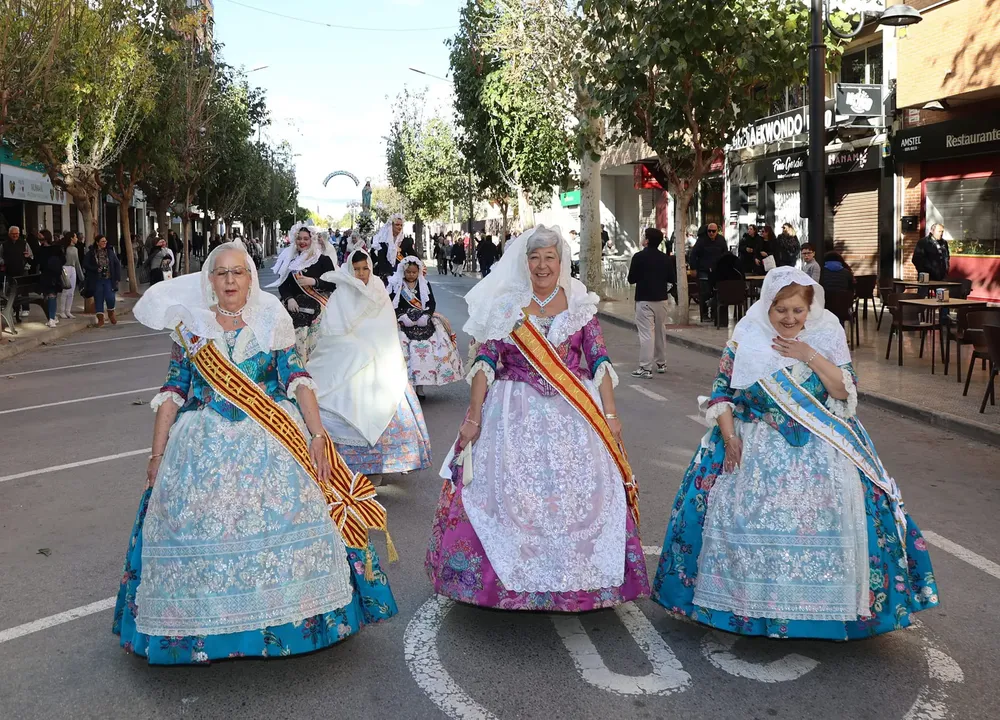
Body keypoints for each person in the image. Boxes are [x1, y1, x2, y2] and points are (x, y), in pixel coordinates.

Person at [114, 240, 397, 665]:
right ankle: (201, 626)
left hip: (270, 438)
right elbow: (174, 391)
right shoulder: (190, 328)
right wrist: (156, 456)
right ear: (210, 281)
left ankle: (290, 618)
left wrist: (318, 436)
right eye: (221, 272)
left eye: (238, 272)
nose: (230, 280)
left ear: (250, 278)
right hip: (202, 444)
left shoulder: (272, 322)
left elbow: (297, 377)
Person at [652, 266, 939, 639]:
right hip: (754, 441)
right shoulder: (747, 336)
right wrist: (730, 438)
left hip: (823, 442)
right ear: (767, 307)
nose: (789, 318)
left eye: (797, 311)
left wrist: (808, 355)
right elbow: (722, 391)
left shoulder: (828, 334)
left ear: (810, 308)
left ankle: (828, 610)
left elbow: (844, 391)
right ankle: (747, 606)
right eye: (780, 310)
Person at [426, 225, 650, 612]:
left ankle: (582, 582)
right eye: (535, 257)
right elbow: (485, 362)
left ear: (560, 262)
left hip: (575, 414)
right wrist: (474, 418)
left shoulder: (579, 305)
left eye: (550, 257)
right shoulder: (507, 307)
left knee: (589, 494)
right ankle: (506, 583)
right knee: (504, 494)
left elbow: (599, 361)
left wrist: (610, 414)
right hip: (512, 412)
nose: (542, 265)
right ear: (524, 262)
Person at [308, 250, 432, 482]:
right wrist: (356, 347)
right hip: (344, 358)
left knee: (384, 399)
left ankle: (377, 466)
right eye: (357, 269)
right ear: (349, 270)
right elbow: (331, 330)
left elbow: (385, 326)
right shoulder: (340, 294)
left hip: (378, 356)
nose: (362, 274)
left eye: (365, 268)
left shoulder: (378, 288)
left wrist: (374, 349)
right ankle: (344, 469)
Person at [387, 256, 465, 398]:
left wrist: (426, 316)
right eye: (408, 272)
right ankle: (406, 386)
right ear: (403, 272)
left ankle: (420, 387)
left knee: (425, 352)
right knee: (406, 354)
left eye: (414, 272)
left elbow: (431, 303)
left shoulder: (424, 284)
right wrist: (401, 317)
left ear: (418, 272)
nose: (411, 275)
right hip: (403, 322)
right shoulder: (397, 284)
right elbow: (392, 303)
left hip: (423, 321)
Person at [268, 224, 337, 363]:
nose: (302, 242)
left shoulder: (323, 260)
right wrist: (289, 298)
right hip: (293, 304)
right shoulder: (291, 261)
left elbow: (333, 284)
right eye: (299, 238)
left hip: (317, 304)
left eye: (306, 238)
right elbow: (282, 285)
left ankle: (310, 363)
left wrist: (314, 282)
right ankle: (291, 364)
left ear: (312, 240)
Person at [628, 227, 675, 378]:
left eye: (644, 236)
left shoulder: (638, 257)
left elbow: (631, 279)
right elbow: (671, 280)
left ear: (647, 240)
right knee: (660, 331)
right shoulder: (665, 258)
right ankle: (661, 363)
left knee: (647, 333)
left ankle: (645, 367)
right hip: (661, 300)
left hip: (644, 299)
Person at [689, 223, 728, 323]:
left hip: (717, 271)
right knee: (705, 293)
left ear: (717, 231)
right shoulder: (702, 241)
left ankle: (715, 314)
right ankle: (705, 314)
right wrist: (693, 268)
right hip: (704, 270)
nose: (711, 233)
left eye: (713, 231)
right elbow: (693, 254)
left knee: (716, 292)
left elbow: (725, 254)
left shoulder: (721, 240)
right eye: (709, 231)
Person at [83, 235, 121, 327]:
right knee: (98, 299)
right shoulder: (91, 253)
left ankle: (111, 313)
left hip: (109, 279)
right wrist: (95, 269)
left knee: (110, 297)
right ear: (97, 242)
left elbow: (116, 264)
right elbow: (85, 264)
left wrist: (117, 278)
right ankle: (100, 320)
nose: (105, 243)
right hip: (97, 280)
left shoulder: (110, 252)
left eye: (105, 241)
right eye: (102, 241)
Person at [36, 230, 66, 328]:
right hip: (49, 276)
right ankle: (52, 317)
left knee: (51, 296)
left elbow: (63, 260)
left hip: (51, 276)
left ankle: (52, 318)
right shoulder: (45, 249)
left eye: (40, 236)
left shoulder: (52, 249)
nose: (39, 238)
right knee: (50, 297)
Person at [1, 226, 31, 322]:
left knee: (24, 290)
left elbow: (30, 255)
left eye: (17, 234)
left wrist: (27, 260)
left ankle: (25, 308)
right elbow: (0, 256)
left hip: (22, 270)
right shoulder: (4, 245)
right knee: (11, 291)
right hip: (10, 270)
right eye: (13, 234)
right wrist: (2, 262)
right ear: (9, 234)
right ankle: (14, 309)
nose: (15, 235)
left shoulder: (24, 243)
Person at [371, 213, 405, 281]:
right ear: (391, 226)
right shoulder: (381, 241)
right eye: (397, 225)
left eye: (401, 225)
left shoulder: (402, 240)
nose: (400, 227)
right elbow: (380, 260)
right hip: (383, 275)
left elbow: (407, 254)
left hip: (398, 275)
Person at [59, 232, 84, 319]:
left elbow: (77, 263)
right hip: (65, 268)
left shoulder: (75, 249)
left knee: (71, 292)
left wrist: (81, 276)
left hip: (73, 269)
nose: (76, 239)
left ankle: (68, 311)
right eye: (75, 237)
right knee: (65, 291)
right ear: (71, 238)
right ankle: (62, 311)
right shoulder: (64, 248)